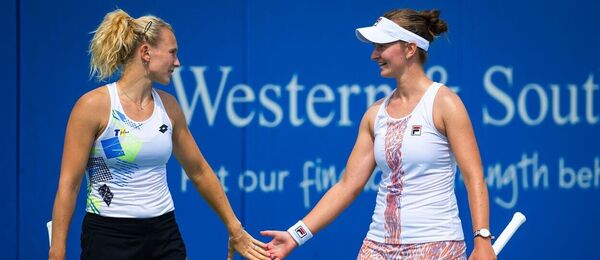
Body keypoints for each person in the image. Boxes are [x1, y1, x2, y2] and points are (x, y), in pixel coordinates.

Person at [261, 9, 496, 260]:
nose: (374, 55)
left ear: (410, 49)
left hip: (436, 245)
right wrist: (296, 235)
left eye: (382, 46)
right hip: (377, 246)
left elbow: (474, 177)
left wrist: (482, 239)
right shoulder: (375, 114)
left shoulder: (445, 103)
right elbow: (347, 185)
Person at [48, 9, 269, 260]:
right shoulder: (92, 107)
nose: (178, 62)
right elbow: (69, 185)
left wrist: (235, 228)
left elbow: (199, 171)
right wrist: (57, 252)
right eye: (173, 52)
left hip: (164, 236)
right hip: (108, 238)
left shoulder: (170, 107)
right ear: (146, 52)